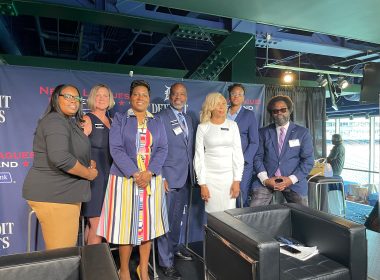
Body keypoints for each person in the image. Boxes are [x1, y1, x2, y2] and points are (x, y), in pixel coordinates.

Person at [97, 80, 168, 280]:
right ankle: (125, 270)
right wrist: (137, 174)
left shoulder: (157, 121)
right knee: (125, 227)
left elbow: (162, 149)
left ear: (148, 98)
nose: (140, 98)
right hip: (125, 180)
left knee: (148, 226)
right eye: (136, 94)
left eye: (144, 95)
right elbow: (116, 149)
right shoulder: (120, 119)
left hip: (151, 181)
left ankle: (143, 269)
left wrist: (150, 172)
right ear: (130, 97)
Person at [23, 84, 98, 250]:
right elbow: (61, 158)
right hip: (56, 196)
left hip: (64, 195)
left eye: (77, 98)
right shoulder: (55, 120)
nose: (74, 101)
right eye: (68, 96)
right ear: (56, 98)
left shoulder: (67, 121)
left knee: (64, 254)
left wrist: (86, 162)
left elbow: (68, 152)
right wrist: (88, 173)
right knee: (62, 257)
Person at [156, 83, 195, 280]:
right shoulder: (162, 117)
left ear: (186, 97)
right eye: (175, 94)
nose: (178, 97)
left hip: (185, 177)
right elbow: (156, 149)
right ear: (169, 97)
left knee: (177, 220)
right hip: (168, 178)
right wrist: (161, 176)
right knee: (166, 221)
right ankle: (165, 262)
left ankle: (173, 248)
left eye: (182, 94)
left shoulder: (188, 118)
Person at [251, 95, 314, 206]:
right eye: (275, 111)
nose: (279, 113)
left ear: (289, 110)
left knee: (303, 215)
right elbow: (257, 157)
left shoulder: (302, 133)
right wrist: (265, 179)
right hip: (267, 179)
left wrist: (291, 179)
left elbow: (308, 160)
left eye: (283, 109)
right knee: (253, 213)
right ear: (271, 114)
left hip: (294, 181)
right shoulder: (263, 132)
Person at [194, 93, 244, 213]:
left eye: (223, 103)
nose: (222, 107)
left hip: (229, 178)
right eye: (217, 104)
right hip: (210, 178)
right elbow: (198, 156)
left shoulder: (233, 125)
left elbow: (238, 154)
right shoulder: (202, 127)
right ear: (211, 107)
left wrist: (237, 180)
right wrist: (202, 184)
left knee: (230, 215)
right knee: (213, 216)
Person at [81, 84, 115, 245]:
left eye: (105, 95)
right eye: (98, 95)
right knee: (97, 224)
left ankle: (88, 265)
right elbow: (77, 147)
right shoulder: (86, 119)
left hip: (110, 177)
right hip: (94, 179)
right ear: (92, 98)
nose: (102, 98)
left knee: (95, 224)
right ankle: (96, 268)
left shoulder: (112, 121)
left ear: (110, 100)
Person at [227, 83, 259, 207]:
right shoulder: (222, 113)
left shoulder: (249, 115)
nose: (236, 96)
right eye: (233, 94)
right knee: (226, 194)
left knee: (241, 194)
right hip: (224, 162)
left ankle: (241, 224)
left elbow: (254, 141)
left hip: (243, 164)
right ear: (229, 96)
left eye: (240, 94)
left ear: (244, 98)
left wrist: (243, 160)